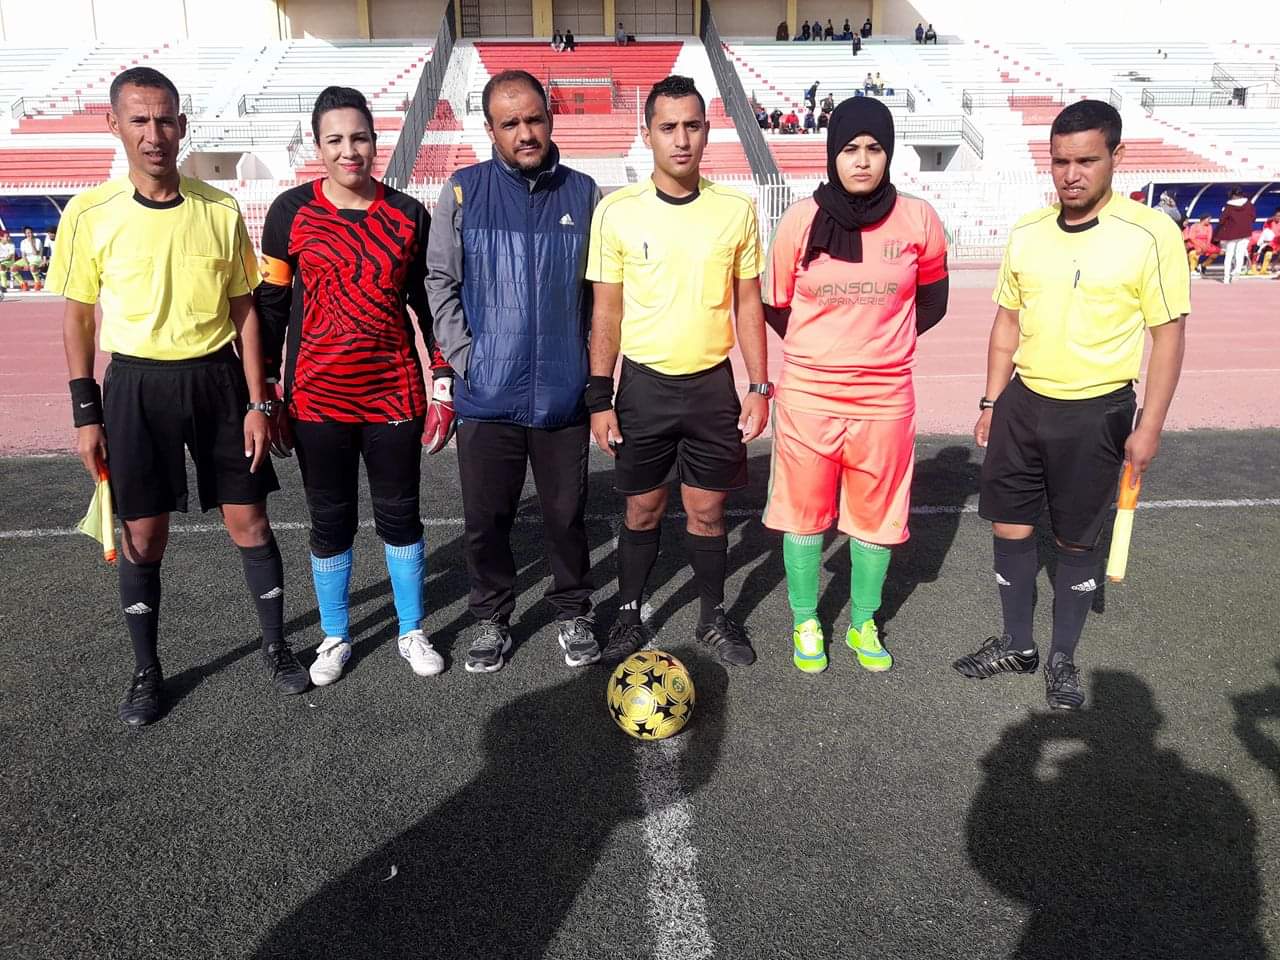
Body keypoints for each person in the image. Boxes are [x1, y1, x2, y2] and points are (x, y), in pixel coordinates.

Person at [47, 67, 306, 727]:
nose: (154, 133)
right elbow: (78, 318)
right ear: (114, 125)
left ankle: (276, 646)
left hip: (218, 382)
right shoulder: (88, 213)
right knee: (143, 534)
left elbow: (245, 309)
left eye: (165, 119)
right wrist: (86, 413)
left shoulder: (219, 208)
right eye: (139, 120)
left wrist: (258, 401)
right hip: (134, 387)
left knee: (250, 522)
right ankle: (147, 670)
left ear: (183, 126)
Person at [953, 100, 1190, 710]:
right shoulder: (1028, 232)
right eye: (1060, 162)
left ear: (1117, 156)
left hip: (1097, 412)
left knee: (1076, 542)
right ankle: (1017, 643)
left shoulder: (1150, 233)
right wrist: (991, 400)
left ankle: (1062, 657)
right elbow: (1007, 323)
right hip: (1022, 405)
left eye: (1086, 160)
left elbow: (1168, 335)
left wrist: (1150, 426)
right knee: (1009, 524)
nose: (1071, 174)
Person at [254, 87, 454, 687]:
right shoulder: (289, 212)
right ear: (318, 147)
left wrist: (443, 379)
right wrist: (267, 391)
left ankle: (411, 629)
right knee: (330, 520)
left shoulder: (408, 215)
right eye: (335, 140)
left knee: (400, 516)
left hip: (393, 396)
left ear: (375, 141)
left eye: (360, 138)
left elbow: (428, 306)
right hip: (316, 400)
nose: (350, 151)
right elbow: (271, 308)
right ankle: (336, 635)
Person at [585, 75, 768, 668]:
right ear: (647, 135)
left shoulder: (735, 209)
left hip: (713, 386)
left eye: (692, 125)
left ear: (708, 131)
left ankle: (713, 615)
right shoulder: (616, 212)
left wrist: (759, 386)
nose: (681, 139)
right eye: (668, 127)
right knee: (642, 509)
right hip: (643, 387)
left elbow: (748, 304)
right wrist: (599, 396)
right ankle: (629, 614)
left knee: (708, 510)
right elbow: (606, 310)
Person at [761, 97, 948, 674]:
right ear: (832, 154)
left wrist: (876, 348)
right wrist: (824, 352)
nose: (862, 160)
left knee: (877, 516)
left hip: (885, 397)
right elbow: (775, 304)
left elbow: (932, 303)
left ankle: (863, 621)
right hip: (808, 395)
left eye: (874, 149)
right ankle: (805, 620)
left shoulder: (918, 219)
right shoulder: (799, 221)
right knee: (802, 514)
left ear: (888, 154)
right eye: (849, 149)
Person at [426, 70, 601, 675]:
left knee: (566, 517)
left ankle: (573, 609)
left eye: (534, 119)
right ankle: (491, 617)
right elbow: (440, 281)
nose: (525, 133)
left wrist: (590, 370)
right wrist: (467, 359)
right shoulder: (463, 191)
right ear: (490, 129)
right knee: (486, 521)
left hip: (563, 393)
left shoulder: (584, 193)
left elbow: (601, 294)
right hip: (486, 392)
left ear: (549, 118)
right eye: (510, 123)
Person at [1215, 187, 1255, 284]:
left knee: (1229, 255)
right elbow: (1253, 217)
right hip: (1245, 232)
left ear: (1233, 195)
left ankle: (1226, 278)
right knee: (1240, 254)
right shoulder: (1249, 204)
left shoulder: (1229, 206)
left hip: (1231, 233)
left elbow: (1222, 220)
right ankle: (1235, 274)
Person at [14, 226, 46, 290]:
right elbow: (23, 255)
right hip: (26, 258)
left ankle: (38, 283)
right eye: (28, 233)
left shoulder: (37, 240)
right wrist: (26, 264)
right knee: (13, 268)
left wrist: (32, 243)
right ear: (25, 234)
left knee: (32, 267)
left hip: (36, 258)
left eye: (31, 232)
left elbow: (36, 253)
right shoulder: (23, 242)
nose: (30, 234)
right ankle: (23, 284)